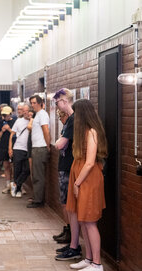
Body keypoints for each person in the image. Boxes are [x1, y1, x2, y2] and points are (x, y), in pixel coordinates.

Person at [66, 99, 107, 271]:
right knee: (82, 219)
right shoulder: (84, 132)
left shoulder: (91, 132)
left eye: (76, 113)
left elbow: (90, 163)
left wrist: (77, 182)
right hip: (81, 177)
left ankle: (97, 263)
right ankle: (89, 258)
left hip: (87, 180)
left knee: (89, 221)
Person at [52, 89, 82, 262]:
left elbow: (60, 144)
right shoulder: (71, 120)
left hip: (70, 167)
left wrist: (59, 141)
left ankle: (74, 246)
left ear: (64, 101)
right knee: (68, 206)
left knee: (70, 207)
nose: (57, 106)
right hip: (67, 166)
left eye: (57, 102)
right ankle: (73, 243)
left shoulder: (72, 119)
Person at [27, 95, 50, 208]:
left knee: (38, 175)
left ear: (40, 103)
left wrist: (48, 145)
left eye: (34, 102)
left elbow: (46, 131)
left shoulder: (43, 114)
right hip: (36, 147)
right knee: (36, 174)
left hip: (40, 148)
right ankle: (37, 197)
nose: (32, 105)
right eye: (31, 103)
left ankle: (38, 200)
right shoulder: (37, 115)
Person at [8, 104, 31, 198]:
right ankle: (18, 190)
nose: (25, 112)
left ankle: (15, 184)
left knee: (27, 170)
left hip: (28, 149)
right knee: (17, 170)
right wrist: (10, 148)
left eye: (26, 110)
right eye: (23, 110)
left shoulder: (33, 121)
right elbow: (11, 135)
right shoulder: (19, 121)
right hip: (18, 148)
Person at [0, 106, 16, 193]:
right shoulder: (0, 123)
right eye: (3, 115)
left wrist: (9, 129)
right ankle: (8, 185)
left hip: (14, 146)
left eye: (6, 115)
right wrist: (2, 131)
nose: (5, 117)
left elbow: (16, 134)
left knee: (14, 167)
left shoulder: (15, 122)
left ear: (10, 114)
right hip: (3, 146)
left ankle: (15, 184)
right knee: (6, 166)